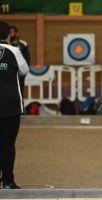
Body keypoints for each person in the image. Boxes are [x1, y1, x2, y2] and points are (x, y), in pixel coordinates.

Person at [0, 22, 29, 189]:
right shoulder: (14, 50)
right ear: (9, 35)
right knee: (8, 143)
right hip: (10, 103)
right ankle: (8, 181)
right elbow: (24, 70)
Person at [10, 25, 31, 105]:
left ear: (16, 33)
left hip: (19, 73)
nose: (10, 34)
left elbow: (27, 59)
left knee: (19, 91)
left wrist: (24, 72)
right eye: (9, 33)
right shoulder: (4, 45)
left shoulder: (23, 44)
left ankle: (20, 109)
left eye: (11, 32)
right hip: (8, 72)